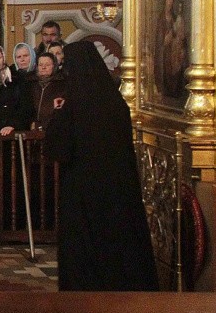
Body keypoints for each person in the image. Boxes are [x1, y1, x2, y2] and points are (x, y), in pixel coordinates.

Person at [44, 41, 158, 291]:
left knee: (86, 250)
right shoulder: (117, 104)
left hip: (82, 191)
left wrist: (57, 116)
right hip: (118, 190)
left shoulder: (74, 107)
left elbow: (57, 148)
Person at [28, 51, 65, 131]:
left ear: (54, 66)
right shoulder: (30, 84)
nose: (43, 67)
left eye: (47, 65)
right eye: (40, 65)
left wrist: (45, 124)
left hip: (53, 128)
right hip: (32, 129)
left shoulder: (61, 85)